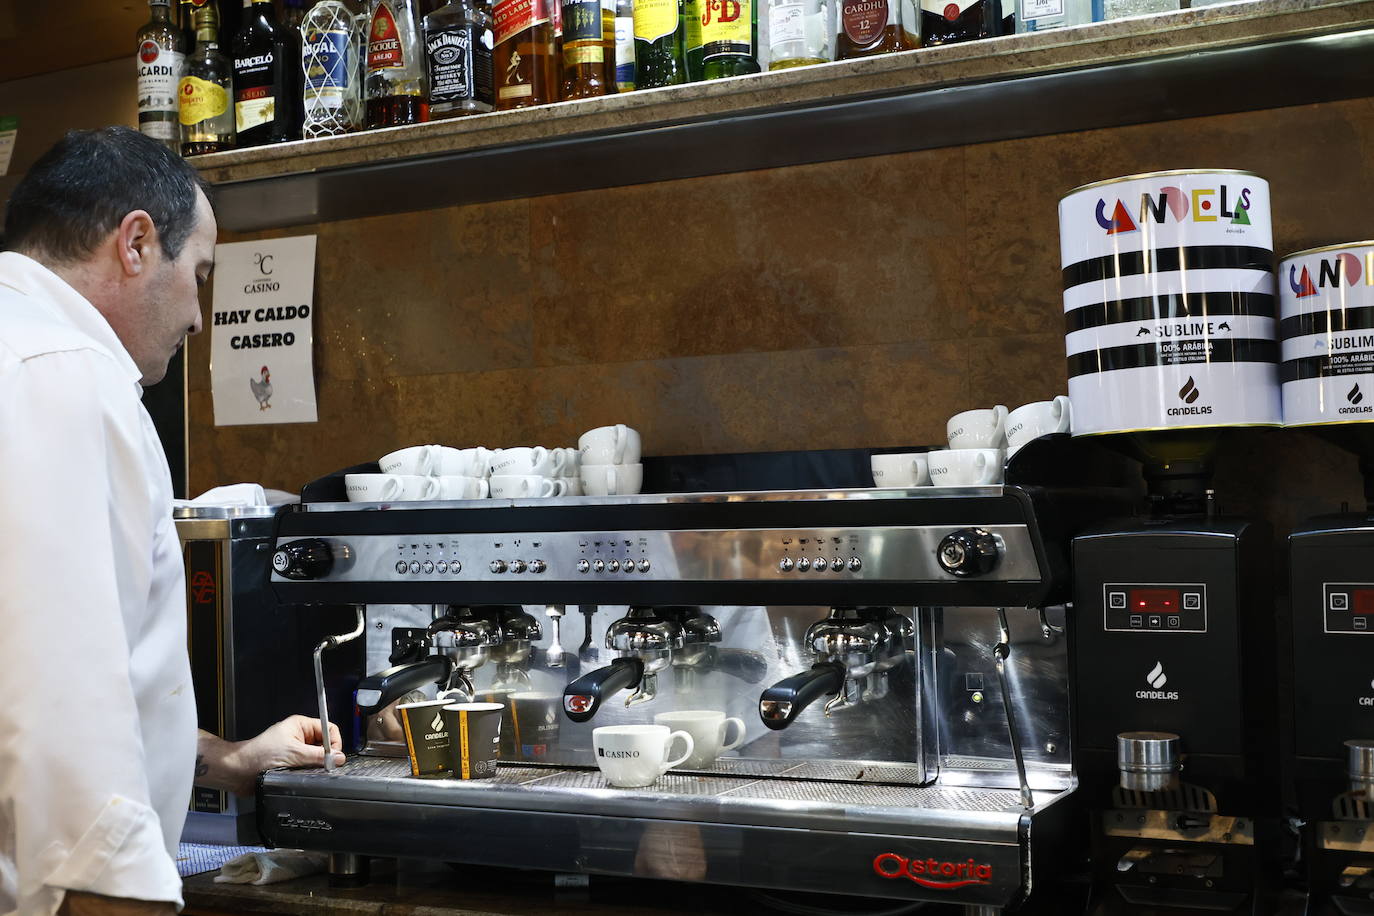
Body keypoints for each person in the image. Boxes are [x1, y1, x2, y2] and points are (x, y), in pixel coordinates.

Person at [0, 127, 343, 916]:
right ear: (136, 243)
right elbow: (60, 717)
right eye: (200, 274)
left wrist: (226, 759)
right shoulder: (67, 381)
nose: (199, 315)